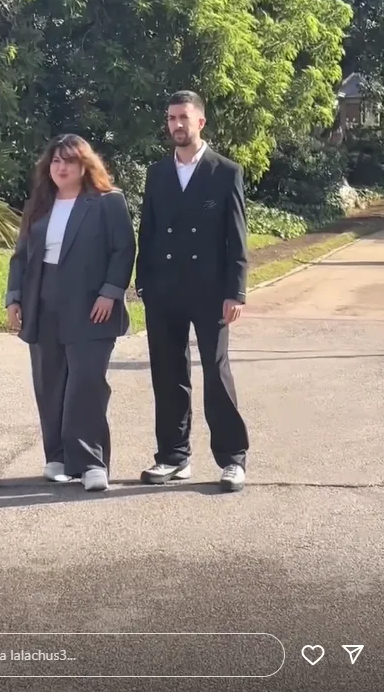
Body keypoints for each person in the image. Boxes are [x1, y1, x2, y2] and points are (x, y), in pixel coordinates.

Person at [5, 134, 136, 492]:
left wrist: (110, 293)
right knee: (50, 384)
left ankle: (92, 463)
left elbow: (123, 250)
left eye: (69, 161)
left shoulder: (108, 202)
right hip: (43, 302)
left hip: (91, 305)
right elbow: (21, 256)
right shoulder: (40, 204)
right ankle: (58, 458)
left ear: (85, 166)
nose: (61, 168)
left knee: (86, 384)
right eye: (56, 161)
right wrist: (13, 298)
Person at [135, 91, 249, 492]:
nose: (176, 125)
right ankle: (172, 456)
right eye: (171, 118)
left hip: (211, 290)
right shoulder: (157, 172)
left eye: (184, 117)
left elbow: (236, 237)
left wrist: (236, 291)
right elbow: (147, 230)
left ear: (200, 122)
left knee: (216, 373)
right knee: (167, 374)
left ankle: (233, 459)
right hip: (164, 288)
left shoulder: (225, 171)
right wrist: (142, 280)